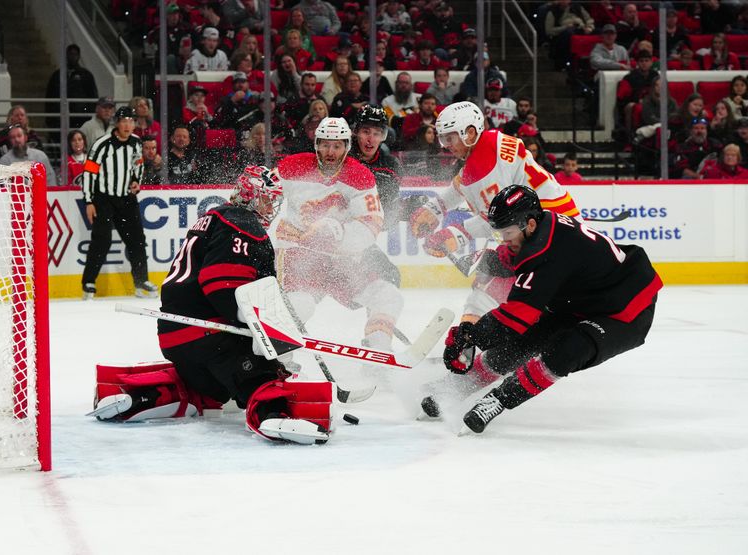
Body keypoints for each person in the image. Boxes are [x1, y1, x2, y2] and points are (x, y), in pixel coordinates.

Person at [91, 166, 333, 444]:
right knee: (259, 376)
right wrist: (261, 331)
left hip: (174, 335)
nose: (272, 207)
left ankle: (145, 398)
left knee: (211, 389)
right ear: (253, 195)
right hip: (209, 333)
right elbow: (221, 285)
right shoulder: (243, 224)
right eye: (268, 198)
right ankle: (272, 414)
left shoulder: (212, 218)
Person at [435, 184, 662, 434]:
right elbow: (512, 258)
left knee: (567, 350)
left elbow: (515, 317)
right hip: (580, 300)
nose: (505, 239)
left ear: (529, 224)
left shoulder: (545, 253)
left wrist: (469, 336)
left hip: (624, 310)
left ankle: (498, 399)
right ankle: (456, 387)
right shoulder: (541, 227)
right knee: (523, 342)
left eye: (507, 233)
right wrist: (485, 260)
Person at [409, 101, 581, 326]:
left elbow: (500, 220)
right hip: (557, 224)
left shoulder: (484, 166)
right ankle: (486, 342)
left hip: (546, 236)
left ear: (469, 133)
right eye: (443, 138)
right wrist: (435, 208)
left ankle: (470, 345)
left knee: (485, 293)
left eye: (450, 138)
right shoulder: (489, 141)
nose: (445, 146)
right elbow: (463, 182)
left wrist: (454, 235)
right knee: (494, 287)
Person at [273, 117, 403, 353]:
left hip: (340, 260)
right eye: (324, 144)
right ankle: (275, 360)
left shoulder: (360, 176)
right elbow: (264, 194)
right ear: (316, 144)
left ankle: (379, 348)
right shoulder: (293, 166)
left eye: (337, 146)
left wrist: (338, 232)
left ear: (347, 146)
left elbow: (370, 225)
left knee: (388, 295)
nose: (330, 152)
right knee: (300, 305)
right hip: (299, 255)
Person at [81, 106, 158, 300]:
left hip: (126, 199)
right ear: (117, 123)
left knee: (137, 240)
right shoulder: (102, 144)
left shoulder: (136, 142)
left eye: (131, 121)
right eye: (124, 121)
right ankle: (88, 282)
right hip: (104, 199)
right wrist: (89, 201)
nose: (128, 125)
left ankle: (141, 281)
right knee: (102, 240)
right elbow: (89, 173)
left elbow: (137, 165)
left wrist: (136, 182)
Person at [45, 44, 99, 133]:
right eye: (70, 54)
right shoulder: (57, 75)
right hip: (60, 118)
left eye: (75, 54)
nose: (72, 57)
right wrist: (50, 117)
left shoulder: (86, 75)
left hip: (80, 117)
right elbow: (50, 96)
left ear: (78, 56)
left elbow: (93, 95)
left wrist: (87, 113)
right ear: (66, 55)